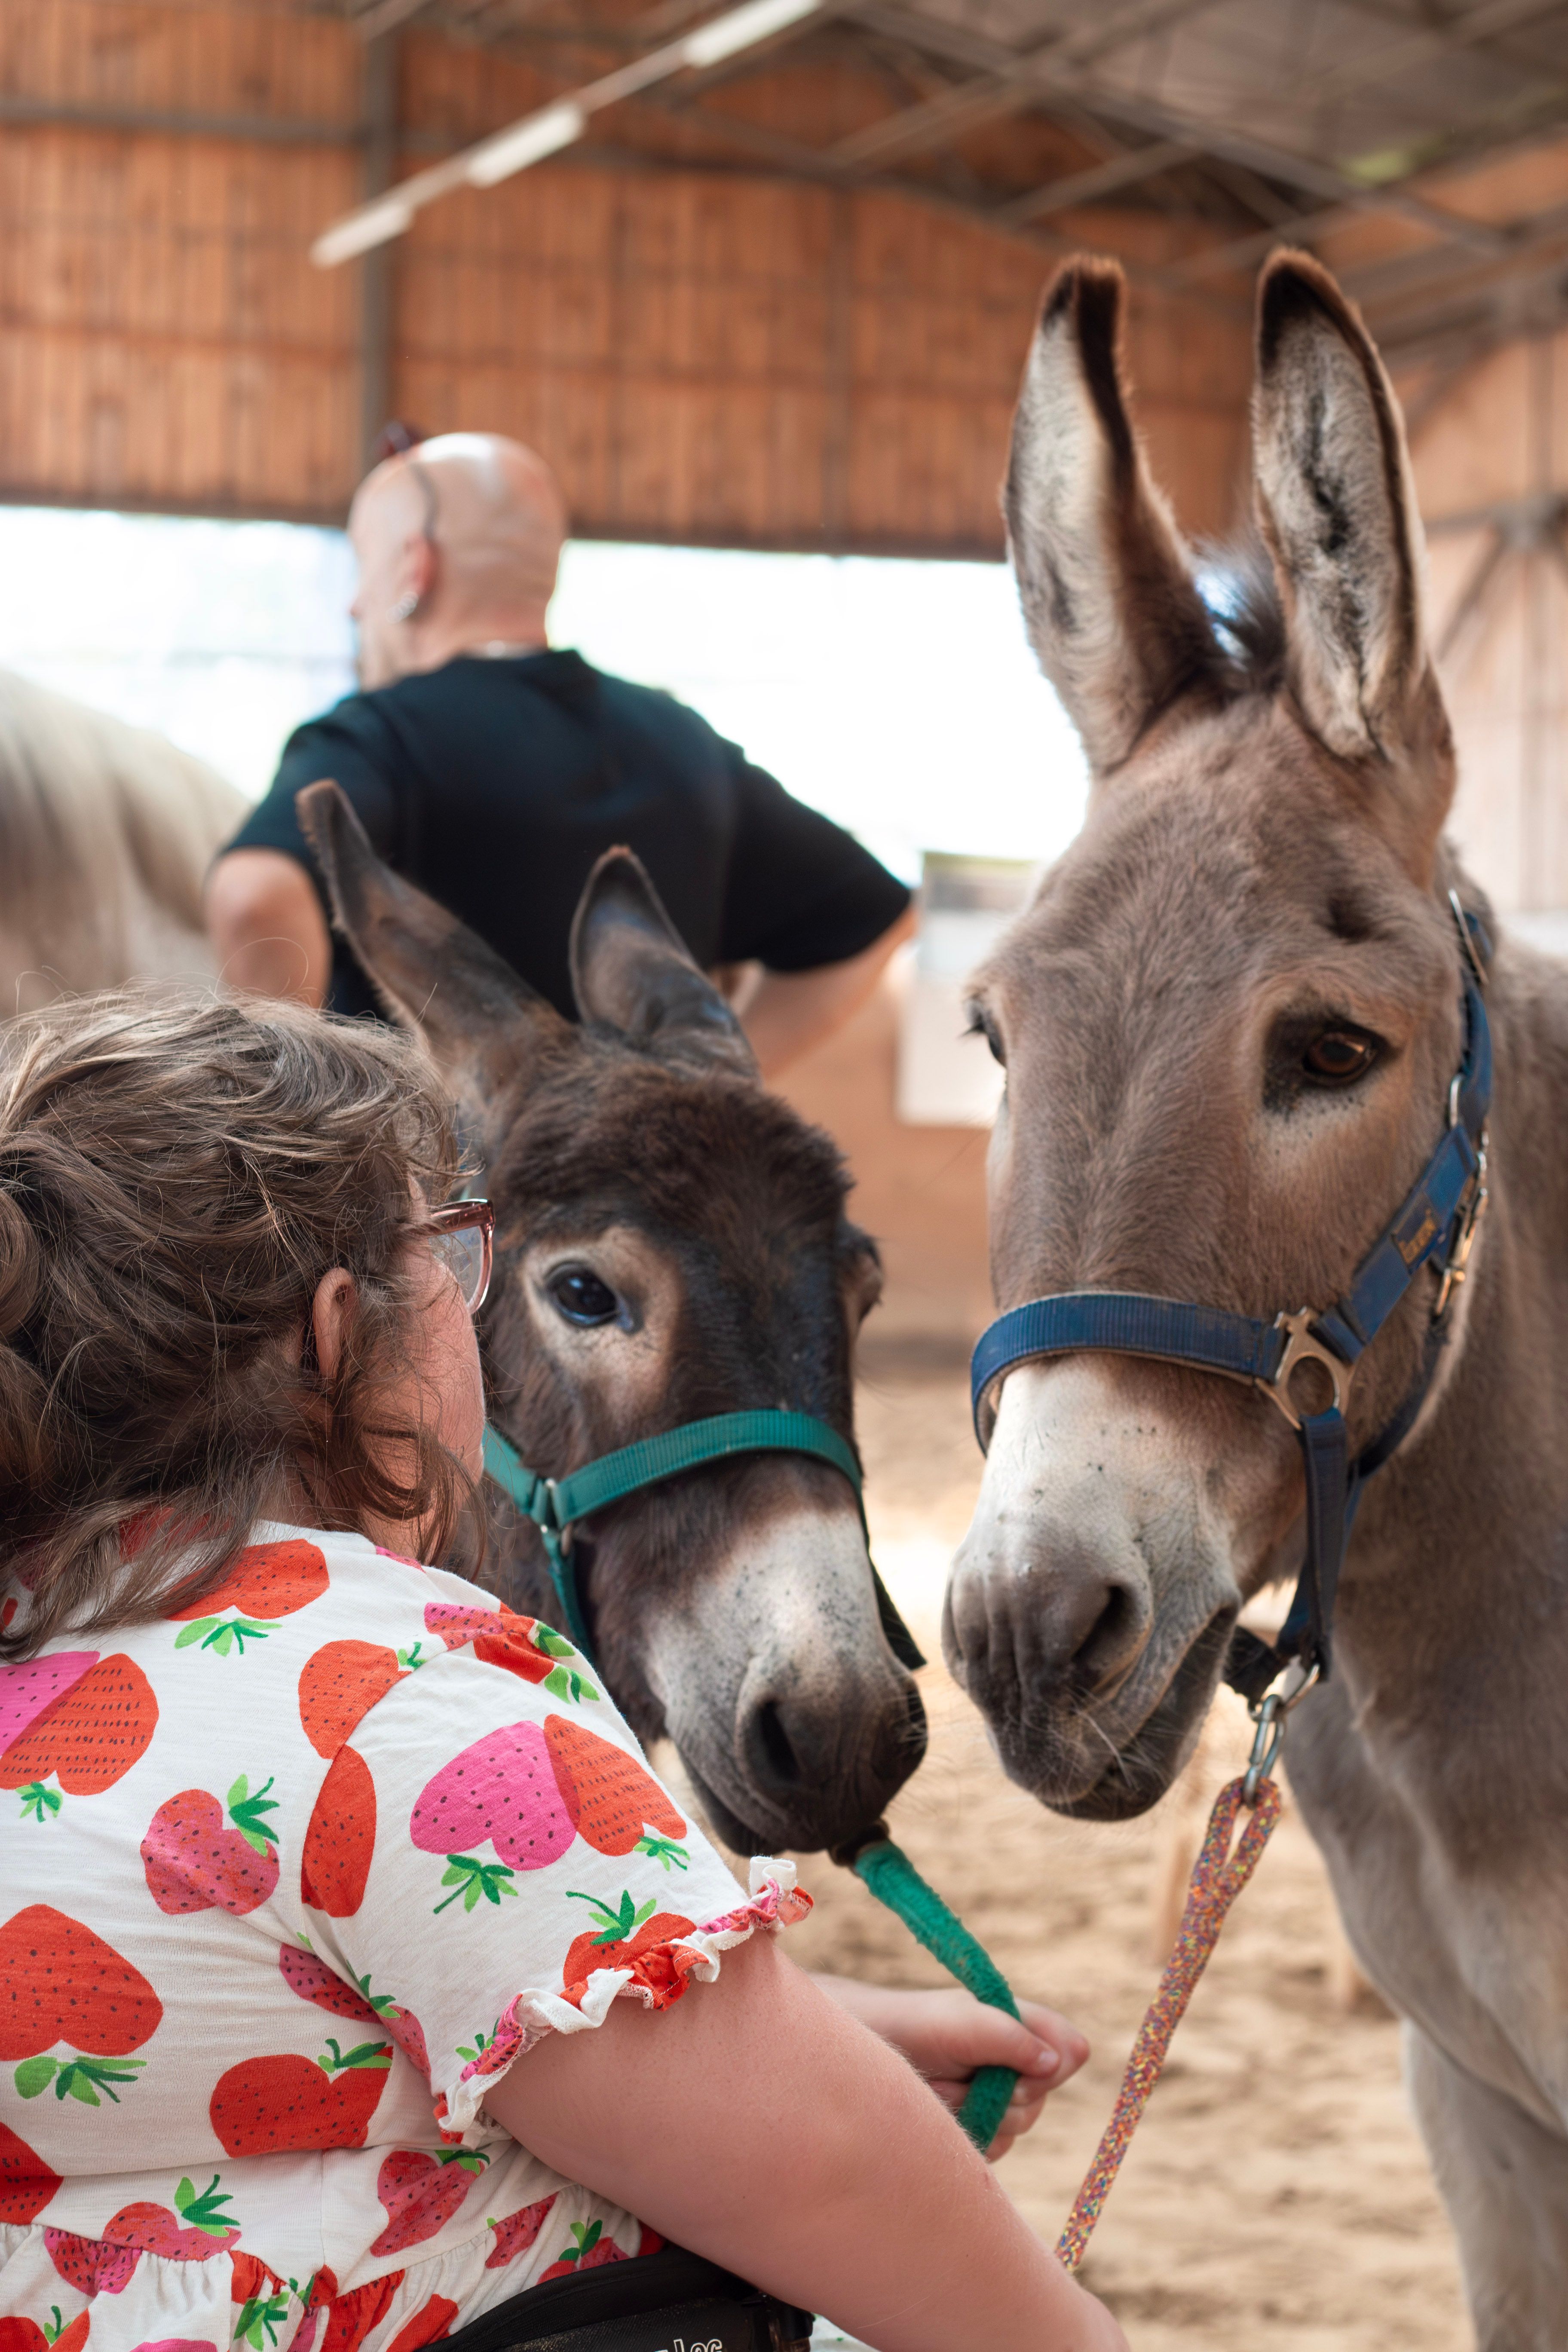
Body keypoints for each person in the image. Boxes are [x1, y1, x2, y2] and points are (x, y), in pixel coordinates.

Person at [0, 989, 1125, 2352]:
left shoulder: (46, 1665)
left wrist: (836, 2020)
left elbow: (289, 2002)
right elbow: (823, 2160)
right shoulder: (402, 1709)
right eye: (454, 1258)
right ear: (340, 1337)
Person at [205, 436, 913, 1077]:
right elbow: (875, 915)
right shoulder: (681, 739)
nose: (356, 606)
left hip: (447, 1211)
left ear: (415, 569)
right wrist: (712, 1083)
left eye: (364, 570)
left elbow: (253, 894)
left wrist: (297, 1106)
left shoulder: (380, 737)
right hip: (650, 1204)